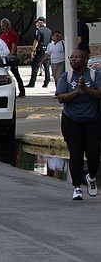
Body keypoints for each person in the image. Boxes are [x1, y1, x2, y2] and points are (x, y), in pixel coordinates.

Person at [56, 49, 101, 200]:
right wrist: (77, 92)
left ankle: (92, 176)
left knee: (93, 154)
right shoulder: (66, 76)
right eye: (72, 57)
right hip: (72, 120)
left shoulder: (94, 75)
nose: (73, 59)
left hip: (92, 120)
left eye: (77, 57)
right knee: (76, 154)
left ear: (85, 59)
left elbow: (99, 94)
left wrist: (86, 89)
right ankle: (77, 187)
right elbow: (61, 97)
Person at [0, 18, 26, 97]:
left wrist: (10, 56)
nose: (2, 28)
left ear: (8, 26)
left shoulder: (13, 35)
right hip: (4, 58)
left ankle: (22, 91)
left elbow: (14, 46)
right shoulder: (2, 36)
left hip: (11, 58)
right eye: (1, 26)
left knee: (16, 74)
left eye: (4, 26)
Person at [28, 16, 53, 88]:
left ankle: (32, 82)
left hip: (40, 50)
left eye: (37, 22)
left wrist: (33, 50)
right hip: (47, 49)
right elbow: (50, 41)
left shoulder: (38, 30)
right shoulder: (49, 30)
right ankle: (47, 81)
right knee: (46, 66)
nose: (36, 23)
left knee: (35, 66)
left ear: (42, 22)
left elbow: (36, 41)